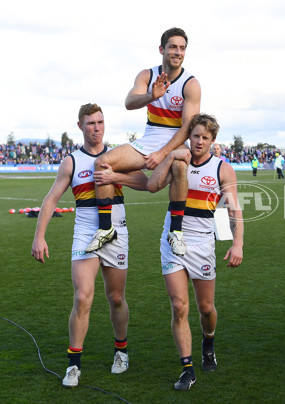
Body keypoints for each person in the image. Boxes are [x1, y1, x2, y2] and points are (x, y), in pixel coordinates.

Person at [31, 104, 148, 387]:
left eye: (100, 122)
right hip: (85, 232)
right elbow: (51, 199)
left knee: (116, 298)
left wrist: (114, 177)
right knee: (83, 297)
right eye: (91, 123)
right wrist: (39, 236)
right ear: (80, 126)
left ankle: (121, 351)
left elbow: (146, 183)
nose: (97, 128)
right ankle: (74, 364)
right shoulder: (71, 161)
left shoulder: (117, 156)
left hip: (117, 231)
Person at [147, 113, 243, 391]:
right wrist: (169, 157)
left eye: (205, 137)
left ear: (213, 141)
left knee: (206, 308)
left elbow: (235, 209)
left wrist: (237, 244)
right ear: (188, 136)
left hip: (203, 243)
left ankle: (208, 341)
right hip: (173, 239)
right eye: (195, 135)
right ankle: (187, 369)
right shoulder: (180, 161)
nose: (199, 141)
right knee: (179, 307)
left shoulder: (222, 168)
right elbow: (153, 185)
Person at [86, 27, 201, 257]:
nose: (178, 52)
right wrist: (152, 96)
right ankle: (106, 228)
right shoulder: (147, 75)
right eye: (173, 47)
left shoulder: (190, 84)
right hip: (150, 138)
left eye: (182, 48)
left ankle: (176, 232)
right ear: (162, 49)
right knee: (102, 163)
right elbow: (129, 102)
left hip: (176, 141)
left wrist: (163, 154)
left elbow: (188, 128)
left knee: (179, 165)